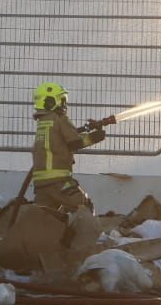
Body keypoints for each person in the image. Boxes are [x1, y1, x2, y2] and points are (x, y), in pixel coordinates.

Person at [30, 82, 111, 214]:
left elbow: (61, 141)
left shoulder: (43, 123)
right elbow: (75, 143)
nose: (64, 105)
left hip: (41, 184)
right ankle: (84, 235)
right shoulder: (60, 119)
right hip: (58, 181)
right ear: (50, 101)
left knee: (43, 218)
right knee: (84, 207)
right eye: (62, 101)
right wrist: (96, 136)